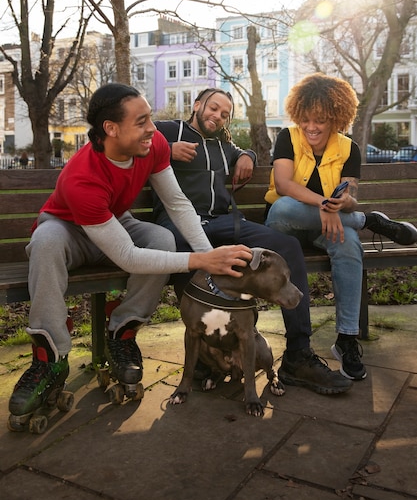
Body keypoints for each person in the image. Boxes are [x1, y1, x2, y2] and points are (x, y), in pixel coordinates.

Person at [8, 83, 254, 422]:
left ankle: (122, 333)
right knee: (46, 242)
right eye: (141, 122)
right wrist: (201, 260)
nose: (152, 128)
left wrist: (210, 257)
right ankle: (49, 357)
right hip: (68, 230)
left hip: (113, 221)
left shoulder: (151, 147)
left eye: (150, 118)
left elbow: (178, 204)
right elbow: (126, 256)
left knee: (162, 239)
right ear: (111, 129)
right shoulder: (82, 178)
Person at [154, 88, 352, 396]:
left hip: (223, 221)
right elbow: (130, 144)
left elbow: (249, 152)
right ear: (196, 105)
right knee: (183, 247)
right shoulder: (169, 130)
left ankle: (298, 354)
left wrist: (246, 155)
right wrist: (165, 150)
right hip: (179, 221)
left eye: (225, 114)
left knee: (286, 246)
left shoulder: (224, 143)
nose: (217, 116)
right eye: (213, 108)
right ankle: (205, 351)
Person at [265, 73, 417, 381]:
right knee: (285, 206)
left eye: (320, 120)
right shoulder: (287, 137)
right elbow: (283, 185)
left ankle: (347, 339)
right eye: (305, 119)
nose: (311, 127)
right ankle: (369, 222)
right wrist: (326, 204)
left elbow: (350, 194)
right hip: (284, 225)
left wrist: (342, 205)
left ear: (336, 117)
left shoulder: (349, 148)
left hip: (327, 225)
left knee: (348, 243)